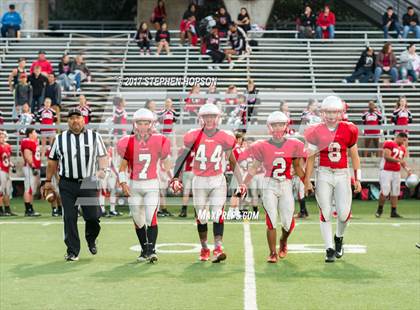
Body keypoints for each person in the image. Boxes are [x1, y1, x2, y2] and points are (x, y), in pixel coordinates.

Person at [170, 103, 247, 263]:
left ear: (217, 118)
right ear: (201, 118)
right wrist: (176, 177)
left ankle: (218, 248)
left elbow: (232, 161)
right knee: (202, 217)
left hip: (218, 179)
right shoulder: (194, 135)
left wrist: (241, 182)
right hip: (200, 180)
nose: (209, 119)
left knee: (218, 213)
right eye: (206, 117)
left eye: (212, 116)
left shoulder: (225, 136)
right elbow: (181, 157)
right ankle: (205, 247)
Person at [45, 108, 108, 261]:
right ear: (68, 121)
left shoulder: (94, 137)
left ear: (83, 119)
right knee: (69, 217)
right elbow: (52, 161)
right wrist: (48, 182)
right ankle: (73, 250)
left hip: (88, 182)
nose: (75, 120)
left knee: (93, 217)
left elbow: (103, 156)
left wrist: (102, 170)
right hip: (67, 184)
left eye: (78, 117)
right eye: (71, 118)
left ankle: (91, 238)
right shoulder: (59, 139)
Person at [241, 112, 306, 262]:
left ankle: (283, 241)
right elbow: (253, 167)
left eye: (280, 125)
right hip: (269, 183)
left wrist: (306, 181)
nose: (278, 128)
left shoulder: (294, 144)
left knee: (288, 223)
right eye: (275, 125)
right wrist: (243, 184)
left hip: (286, 184)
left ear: (286, 126)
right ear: (269, 127)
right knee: (271, 219)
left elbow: (297, 167)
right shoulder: (262, 145)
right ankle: (272, 253)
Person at [304, 96, 361, 263]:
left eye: (334, 112)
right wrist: (307, 180)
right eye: (328, 112)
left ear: (341, 113)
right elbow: (311, 158)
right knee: (325, 211)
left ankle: (339, 238)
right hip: (324, 173)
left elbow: (354, 156)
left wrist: (357, 178)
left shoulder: (349, 129)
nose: (331, 115)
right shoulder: (315, 130)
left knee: (343, 214)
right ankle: (329, 248)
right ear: (323, 113)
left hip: (343, 173)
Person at [117, 108, 172, 263]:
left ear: (151, 124)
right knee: (138, 219)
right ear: (135, 124)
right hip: (134, 184)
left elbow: (166, 162)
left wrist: (172, 177)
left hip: (151, 184)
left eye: (145, 123)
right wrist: (123, 182)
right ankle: (144, 250)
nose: (142, 126)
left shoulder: (159, 140)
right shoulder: (127, 141)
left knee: (150, 217)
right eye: (140, 123)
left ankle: (152, 250)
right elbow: (122, 166)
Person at [376, 133, 412, 218]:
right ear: (398, 137)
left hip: (396, 172)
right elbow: (387, 156)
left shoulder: (403, 148)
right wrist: (398, 161)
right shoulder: (389, 143)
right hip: (386, 171)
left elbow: (401, 161)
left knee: (395, 192)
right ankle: (379, 209)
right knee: (385, 191)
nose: (404, 142)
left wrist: (406, 169)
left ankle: (393, 211)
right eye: (403, 140)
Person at [20, 128, 42, 217]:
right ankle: (28, 209)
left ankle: (31, 208)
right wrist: (33, 166)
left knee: (32, 189)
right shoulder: (28, 142)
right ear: (30, 134)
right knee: (28, 188)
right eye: (34, 132)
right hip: (30, 168)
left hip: (33, 167)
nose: (36, 134)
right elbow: (27, 154)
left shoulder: (33, 142)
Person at [99, 143, 122, 217]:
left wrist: (116, 174)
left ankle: (112, 210)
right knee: (103, 191)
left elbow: (112, 164)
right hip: (103, 172)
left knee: (113, 191)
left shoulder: (111, 152)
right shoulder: (99, 152)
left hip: (110, 173)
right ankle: (102, 210)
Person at [0, 131, 16, 216]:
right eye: (0, 137)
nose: (2, 138)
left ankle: (7, 209)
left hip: (6, 170)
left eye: (3, 137)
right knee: (1, 190)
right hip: (1, 170)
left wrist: (12, 165)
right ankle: (0, 209)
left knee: (7, 191)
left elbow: (7, 159)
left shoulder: (7, 146)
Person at [177, 148, 195, 218]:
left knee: (186, 193)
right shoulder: (199, 148)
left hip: (187, 172)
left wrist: (179, 175)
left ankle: (183, 211)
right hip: (196, 172)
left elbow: (180, 162)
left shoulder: (184, 150)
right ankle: (197, 212)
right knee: (196, 194)